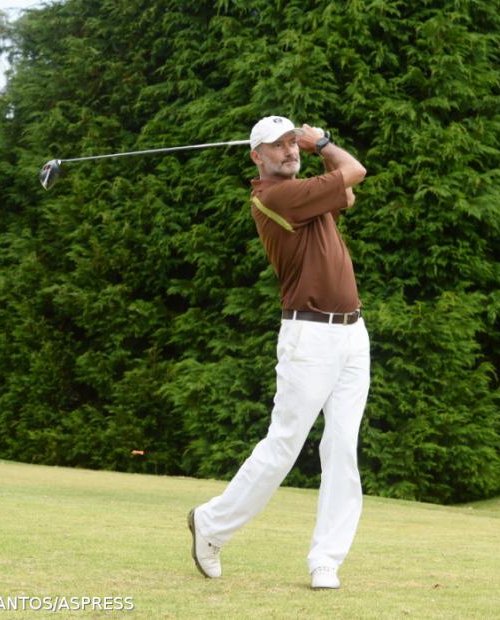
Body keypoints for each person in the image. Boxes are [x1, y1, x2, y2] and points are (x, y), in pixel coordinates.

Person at [187, 115, 370, 590]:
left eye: (292, 142)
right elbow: (354, 173)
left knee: (342, 448)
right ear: (256, 156)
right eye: (277, 146)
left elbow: (345, 194)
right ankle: (211, 523)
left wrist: (318, 159)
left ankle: (325, 559)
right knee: (284, 444)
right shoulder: (274, 197)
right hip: (308, 337)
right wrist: (322, 143)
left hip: (352, 333)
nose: (289, 150)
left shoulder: (304, 191)